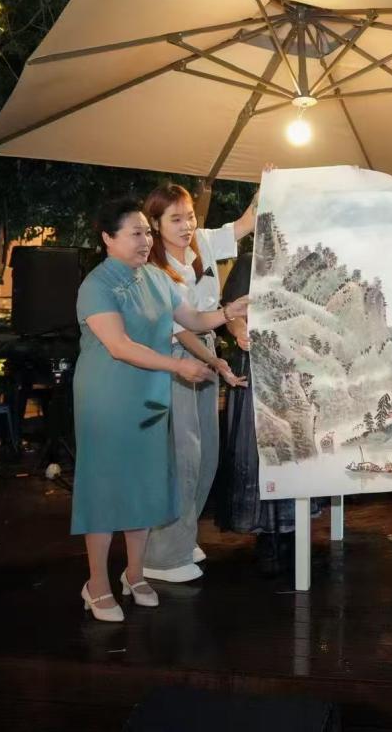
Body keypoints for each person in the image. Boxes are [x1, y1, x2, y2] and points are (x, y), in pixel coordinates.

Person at [73, 198, 248, 622]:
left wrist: (229, 312)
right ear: (107, 238)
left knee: (146, 484)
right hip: (107, 398)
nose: (145, 240)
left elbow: (193, 320)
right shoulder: (97, 285)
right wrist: (179, 366)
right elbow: (120, 346)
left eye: (146, 233)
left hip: (150, 396)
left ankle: (134, 574)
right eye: (135, 233)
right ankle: (96, 584)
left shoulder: (154, 276)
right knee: (106, 487)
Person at [141, 183, 256, 583]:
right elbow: (180, 328)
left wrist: (267, 191)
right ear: (156, 224)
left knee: (206, 452)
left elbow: (246, 223)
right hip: (175, 357)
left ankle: (183, 536)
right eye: (175, 219)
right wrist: (215, 360)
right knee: (182, 456)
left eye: (189, 216)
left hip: (205, 351)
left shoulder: (202, 243)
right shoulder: (152, 268)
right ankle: (161, 556)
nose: (186, 225)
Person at [216, 251, 302, 575]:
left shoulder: (308, 254)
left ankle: (293, 527)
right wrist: (240, 331)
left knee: (297, 447)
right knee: (259, 452)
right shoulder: (250, 260)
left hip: (300, 371)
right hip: (258, 368)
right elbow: (230, 311)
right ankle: (267, 532)